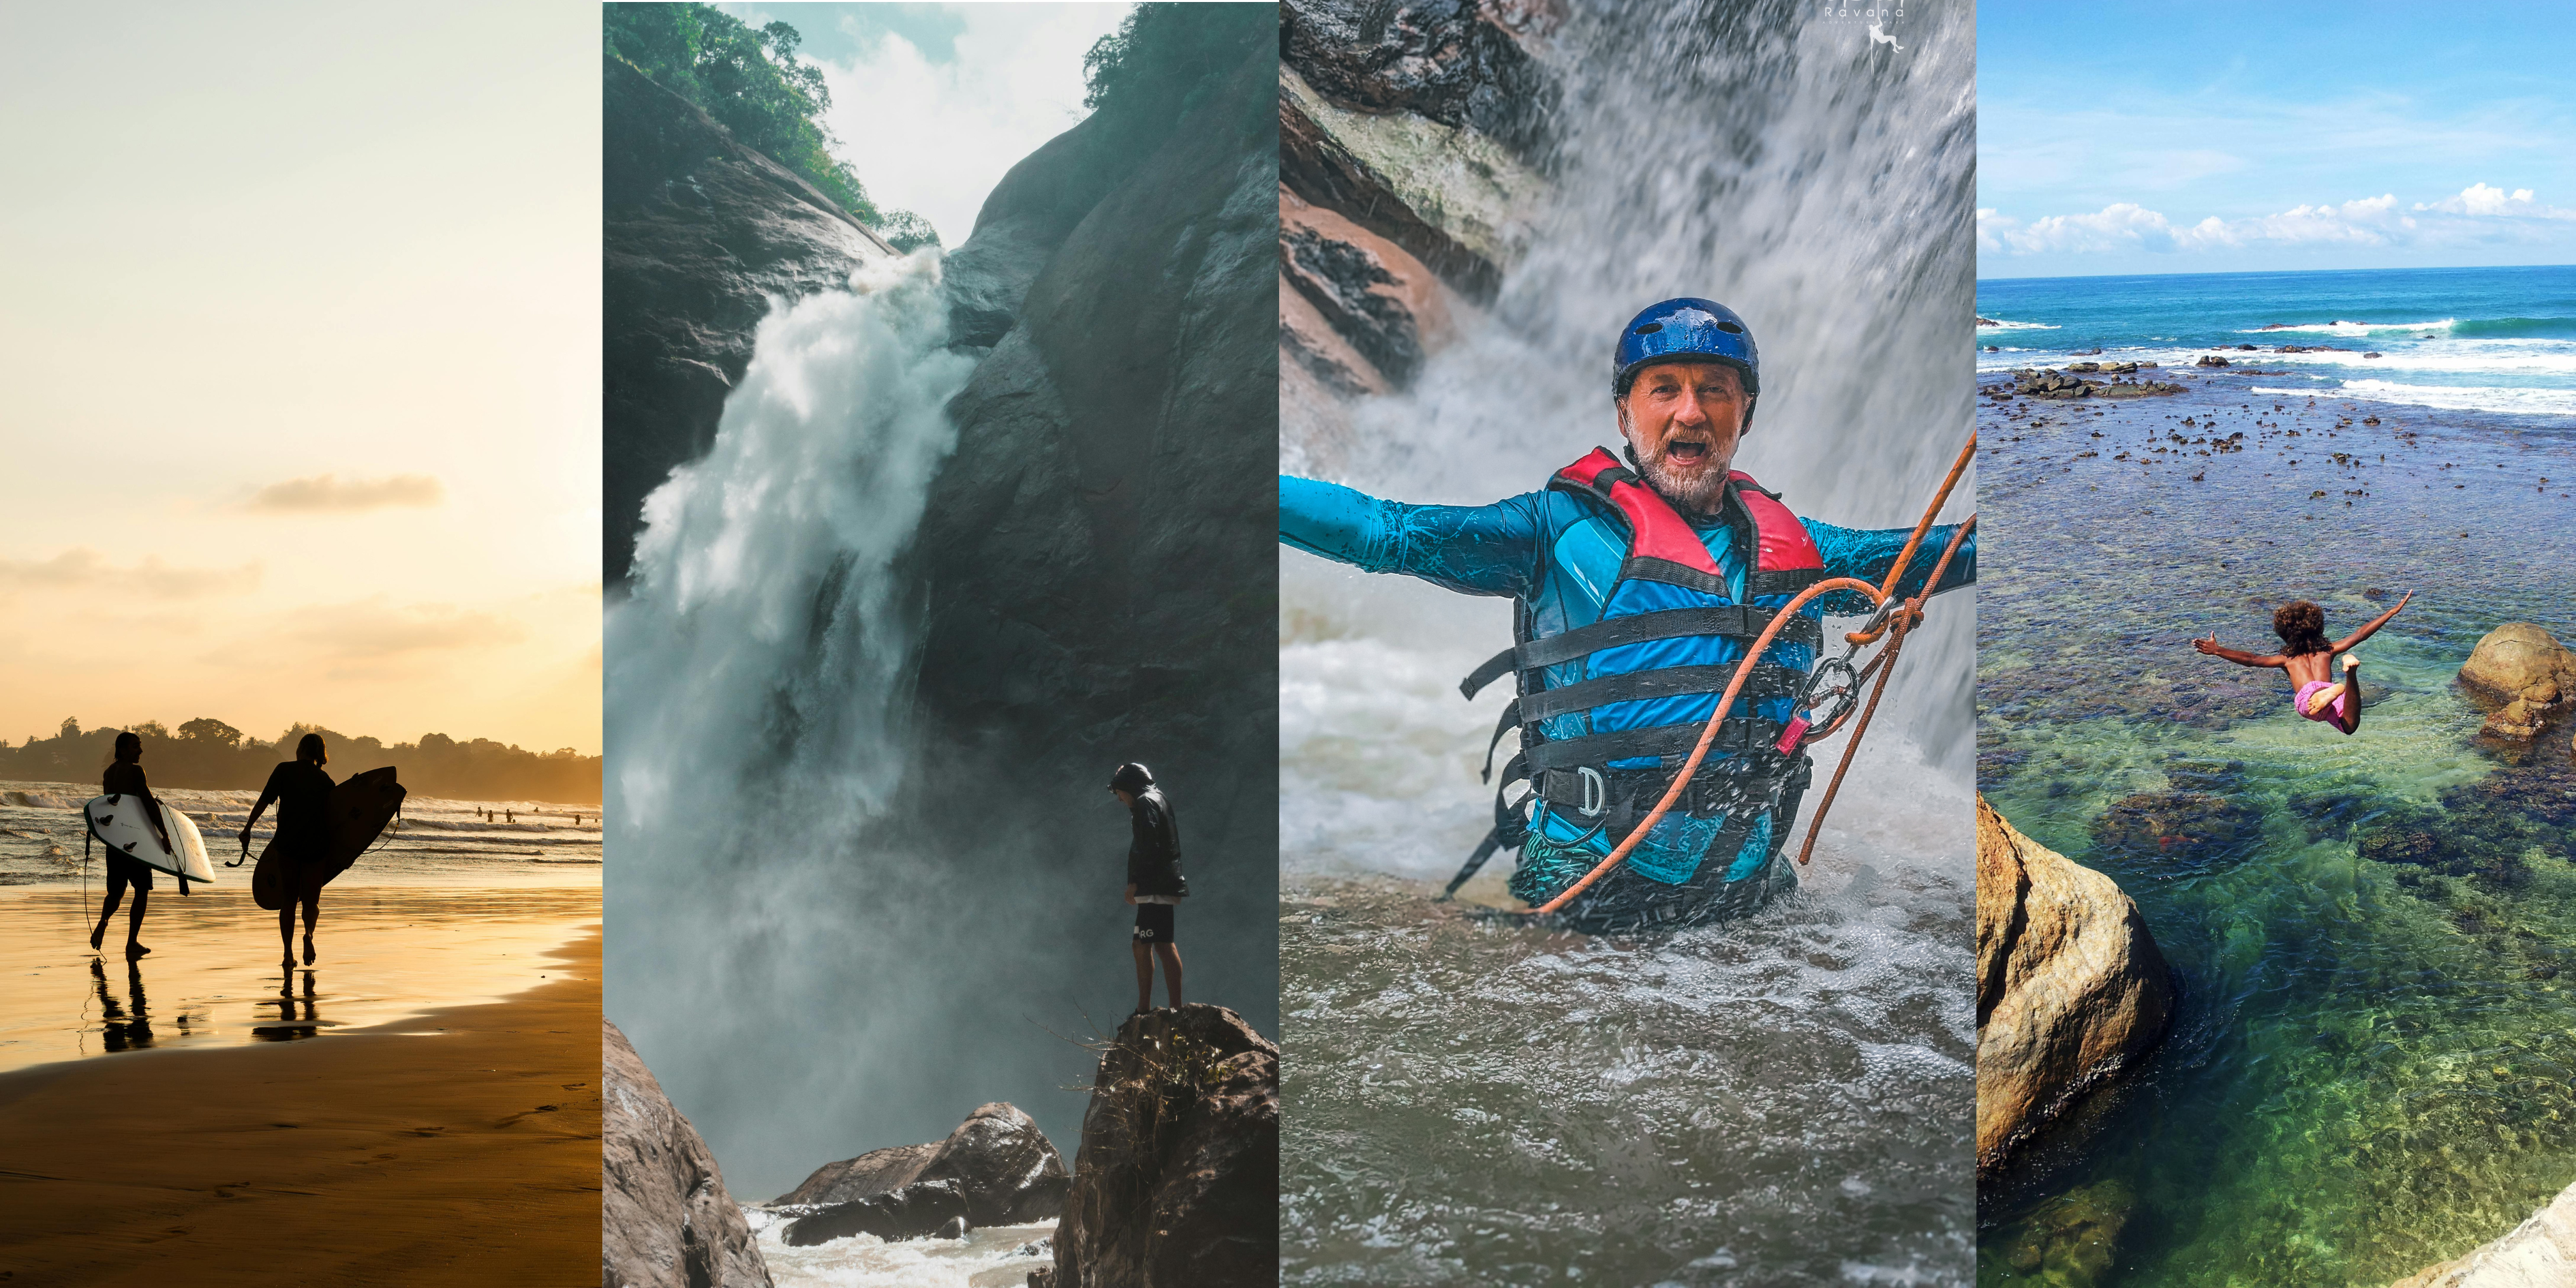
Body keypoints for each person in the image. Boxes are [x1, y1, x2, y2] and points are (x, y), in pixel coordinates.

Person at [1279, 298, 1977, 930]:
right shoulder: (1549, 533)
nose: (1690, 412)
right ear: (1624, 413)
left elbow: (1941, 554)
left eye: (1714, 392)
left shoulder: (1802, 550)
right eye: (1664, 390)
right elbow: (1385, 532)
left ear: (1747, 414)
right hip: (1585, 891)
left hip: (1749, 898)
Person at [2194, 592, 2412, 735]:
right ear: (2317, 627)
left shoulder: (2287, 660)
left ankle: (2338, 686)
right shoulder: (2328, 651)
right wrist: (2391, 612)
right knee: (2349, 726)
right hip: (2328, 697)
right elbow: (2360, 635)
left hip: (2309, 703)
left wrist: (2218, 650)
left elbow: (2251, 660)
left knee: (2321, 710)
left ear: (2285, 633)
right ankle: (2350, 676)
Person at [241, 733, 335, 970]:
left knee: (289, 900)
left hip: (288, 845)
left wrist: (248, 828)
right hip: (316, 845)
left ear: (302, 749)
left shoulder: (284, 770)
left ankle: (287, 954)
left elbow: (264, 801)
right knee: (311, 901)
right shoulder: (326, 781)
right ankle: (309, 935)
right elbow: (336, 820)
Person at [1111, 762, 1185, 1013]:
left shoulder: (1146, 802)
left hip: (1155, 886)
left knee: (1152, 945)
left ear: (1129, 786)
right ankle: (1163, 1007)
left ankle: (1155, 1009)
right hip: (1161, 883)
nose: (1119, 799)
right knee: (1154, 944)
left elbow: (1148, 844)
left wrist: (1135, 882)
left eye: (1119, 792)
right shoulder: (1157, 798)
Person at [91, 731, 169, 958]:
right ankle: (132, 942)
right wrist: (164, 834)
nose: (141, 751)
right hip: (135, 842)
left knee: (116, 893)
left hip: (114, 841)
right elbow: (149, 804)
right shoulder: (136, 772)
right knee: (142, 890)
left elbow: (109, 808)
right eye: (136, 747)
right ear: (123, 749)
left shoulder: (108, 773)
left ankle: (103, 922)